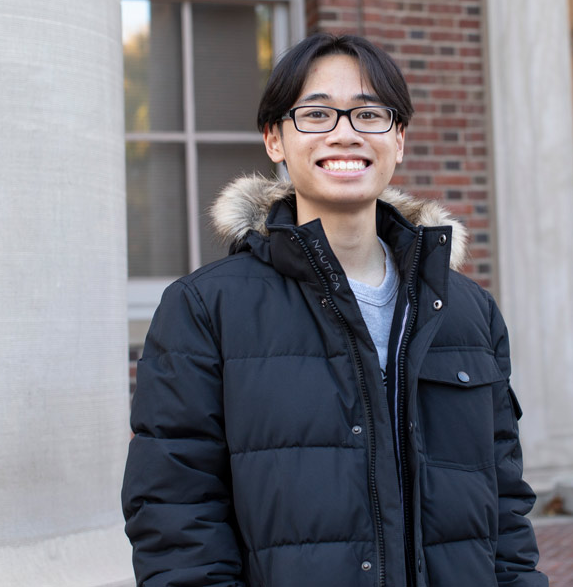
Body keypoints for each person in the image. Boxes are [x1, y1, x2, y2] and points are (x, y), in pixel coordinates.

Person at [121, 33, 547, 587]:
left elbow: (505, 508)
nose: (345, 133)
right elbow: (174, 517)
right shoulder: (205, 309)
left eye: (369, 114)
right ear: (275, 139)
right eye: (316, 114)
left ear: (398, 139)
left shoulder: (468, 312)